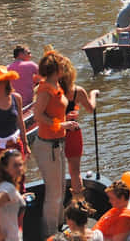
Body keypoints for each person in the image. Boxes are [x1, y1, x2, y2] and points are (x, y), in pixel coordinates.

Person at [34, 51, 78, 237]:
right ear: (56, 69)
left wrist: (65, 118)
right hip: (47, 146)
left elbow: (54, 111)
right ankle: (50, 234)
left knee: (60, 188)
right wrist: (61, 124)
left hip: (58, 142)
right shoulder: (45, 90)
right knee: (53, 194)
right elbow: (38, 115)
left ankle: (59, 226)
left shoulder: (56, 85)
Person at [59, 61, 98, 201]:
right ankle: (79, 202)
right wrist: (93, 94)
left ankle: (58, 202)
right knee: (75, 171)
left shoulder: (50, 91)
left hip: (53, 133)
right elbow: (90, 108)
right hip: (73, 131)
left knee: (57, 172)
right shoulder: (78, 91)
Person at [0, 67, 29, 163]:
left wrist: (25, 144)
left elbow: (20, 122)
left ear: (5, 82)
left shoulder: (16, 98)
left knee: (18, 177)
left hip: (15, 145)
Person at [0, 149, 26, 241]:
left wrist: (19, 199)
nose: (19, 168)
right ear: (5, 168)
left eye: (20, 164)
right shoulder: (9, 188)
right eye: (15, 165)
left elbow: (5, 204)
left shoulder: (2, 185)